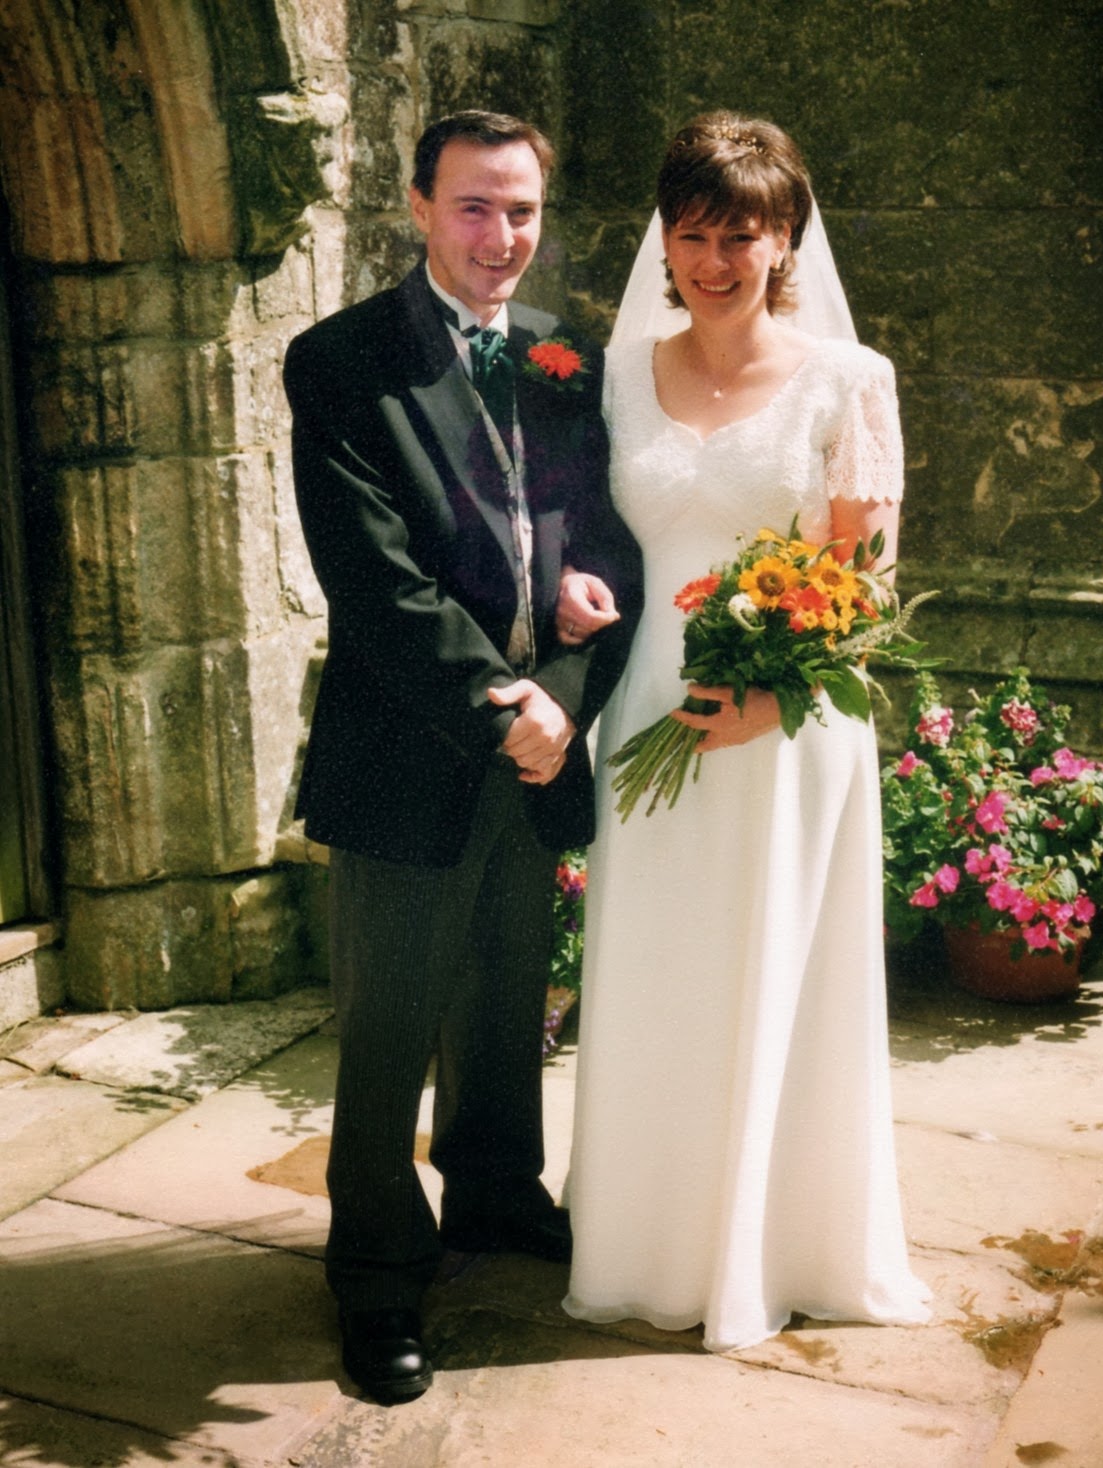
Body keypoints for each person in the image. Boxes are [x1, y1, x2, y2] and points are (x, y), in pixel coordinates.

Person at [558, 111, 932, 1352]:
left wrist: (770, 697)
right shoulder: (617, 373)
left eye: (741, 235)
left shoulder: (847, 380)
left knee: (774, 966)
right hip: (650, 713)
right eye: (692, 233)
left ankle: (775, 1247)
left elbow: (864, 585)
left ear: (785, 242)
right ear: (663, 241)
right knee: (658, 970)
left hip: (786, 723)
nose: (714, 260)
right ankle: (647, 1242)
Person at [284, 109, 642, 1404]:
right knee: (389, 1024)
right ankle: (379, 1270)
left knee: (503, 996)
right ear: (419, 208)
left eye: (521, 210)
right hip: (408, 743)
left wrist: (565, 692)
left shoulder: (563, 358)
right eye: (474, 207)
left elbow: (601, 532)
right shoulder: (341, 359)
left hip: (538, 739)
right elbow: (371, 581)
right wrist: (504, 709)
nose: (500, 236)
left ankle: (494, 1192)